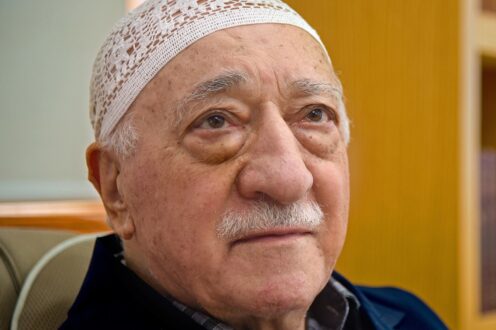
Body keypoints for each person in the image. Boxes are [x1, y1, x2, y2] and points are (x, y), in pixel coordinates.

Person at [61, 0, 447, 329]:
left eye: (314, 114)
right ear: (116, 188)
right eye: (216, 121)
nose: (289, 178)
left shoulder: (411, 317)